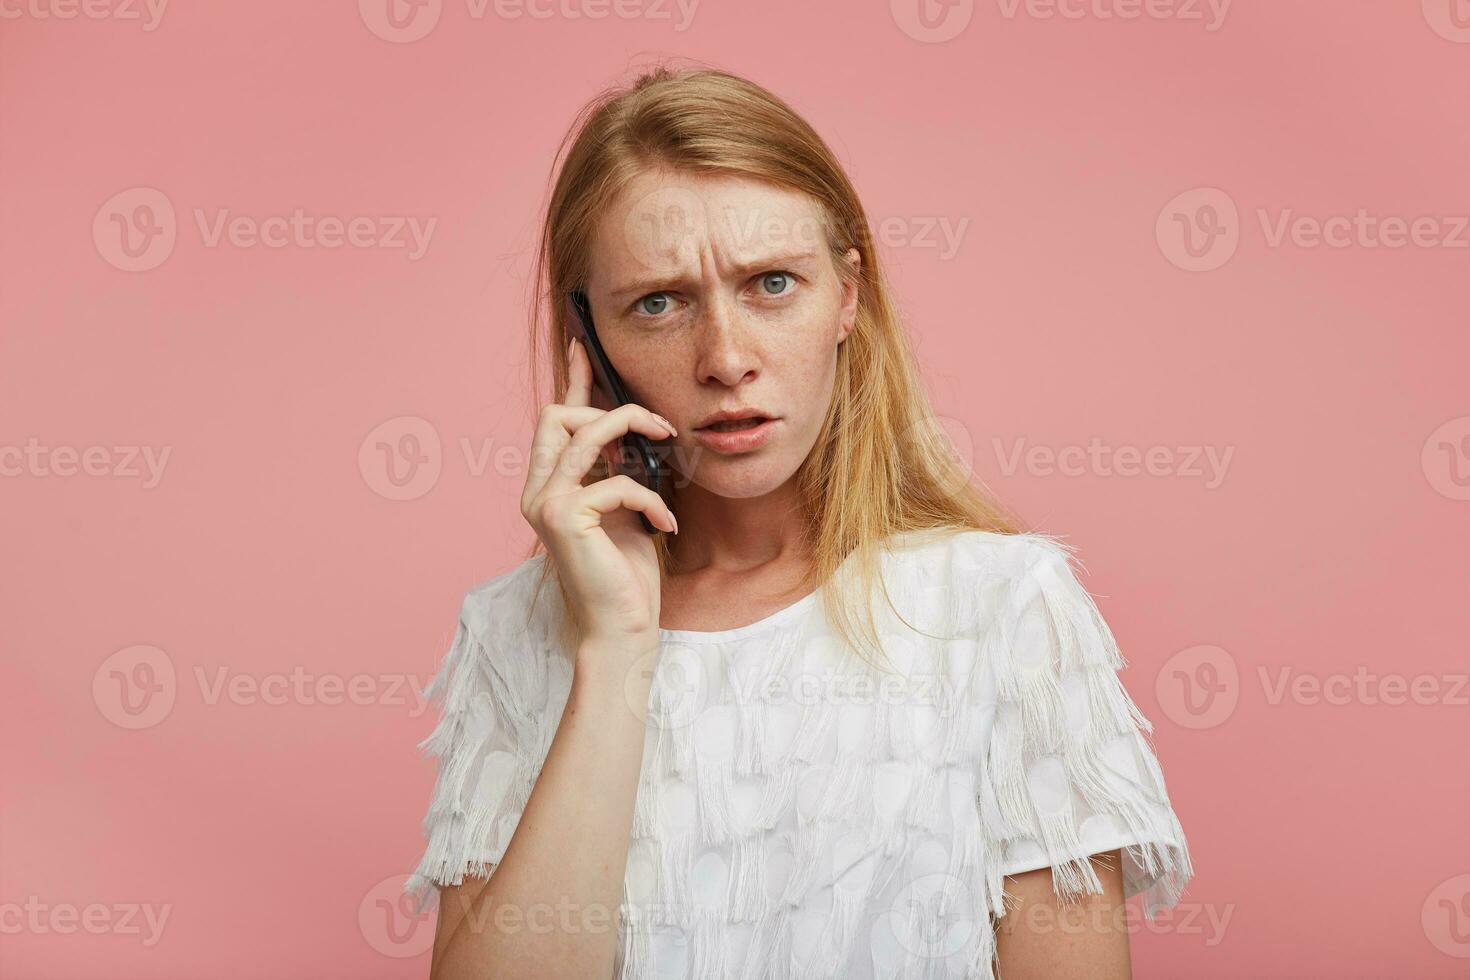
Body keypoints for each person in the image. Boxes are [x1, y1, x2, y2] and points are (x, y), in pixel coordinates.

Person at [404, 64, 1192, 980]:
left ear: (847, 297)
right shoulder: (516, 633)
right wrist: (616, 645)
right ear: (590, 343)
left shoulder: (1003, 609)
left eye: (772, 283)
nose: (727, 358)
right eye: (657, 303)